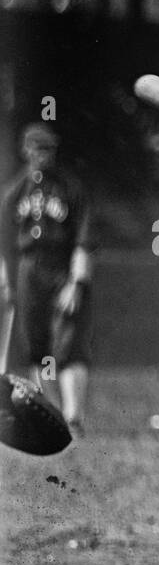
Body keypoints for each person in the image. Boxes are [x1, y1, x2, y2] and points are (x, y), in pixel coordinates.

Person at [0, 123, 94, 436]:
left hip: (61, 267)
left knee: (67, 344)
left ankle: (74, 415)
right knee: (37, 347)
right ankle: (54, 418)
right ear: (26, 151)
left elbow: (84, 238)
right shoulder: (15, 193)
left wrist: (77, 282)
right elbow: (6, 243)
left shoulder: (70, 188)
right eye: (38, 148)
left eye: (49, 149)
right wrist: (8, 280)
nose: (44, 155)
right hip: (29, 271)